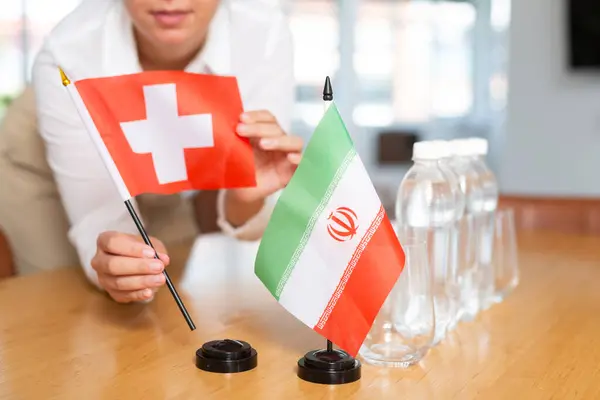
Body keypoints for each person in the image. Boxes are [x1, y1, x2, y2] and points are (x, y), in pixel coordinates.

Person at [31, 0, 302, 303]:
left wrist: (244, 196)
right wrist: (119, 265)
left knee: (167, 285)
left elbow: (251, 204)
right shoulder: (68, 54)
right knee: (57, 295)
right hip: (45, 163)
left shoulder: (263, 33)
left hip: (160, 173)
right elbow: (98, 217)